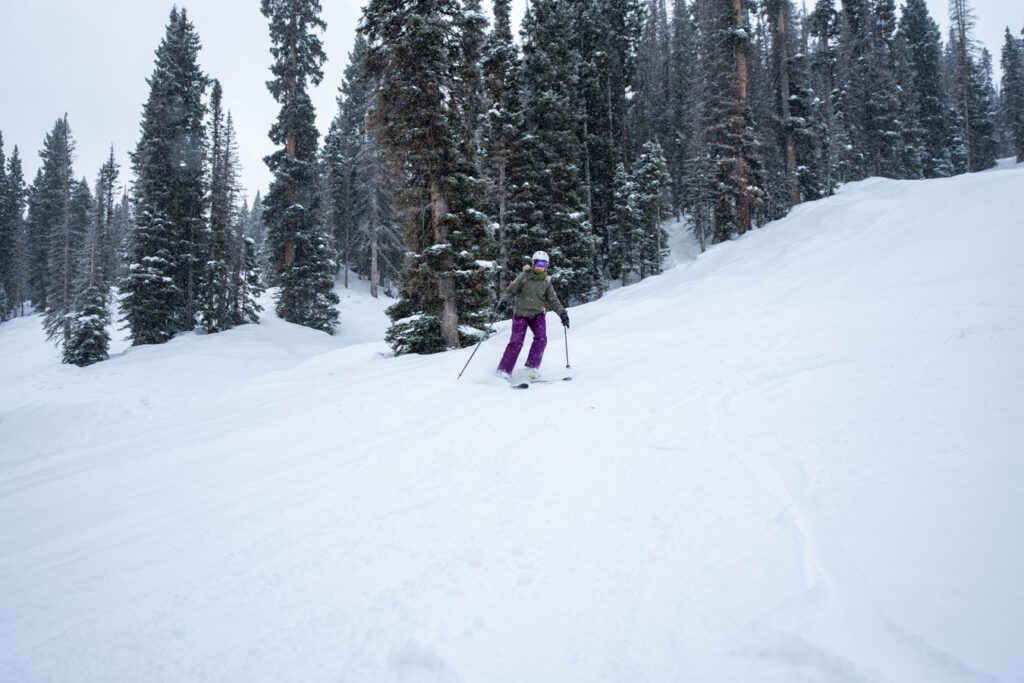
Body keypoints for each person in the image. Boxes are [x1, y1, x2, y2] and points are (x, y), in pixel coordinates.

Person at [495, 250, 570, 381]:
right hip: (521, 314)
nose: (540, 266)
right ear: (533, 263)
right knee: (516, 342)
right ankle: (504, 370)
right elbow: (510, 291)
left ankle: (531, 368)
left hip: (537, 314)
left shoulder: (546, 281)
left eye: (543, 264)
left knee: (541, 339)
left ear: (546, 266)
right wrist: (504, 302)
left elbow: (553, 300)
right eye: (538, 263)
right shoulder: (524, 277)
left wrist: (562, 313)